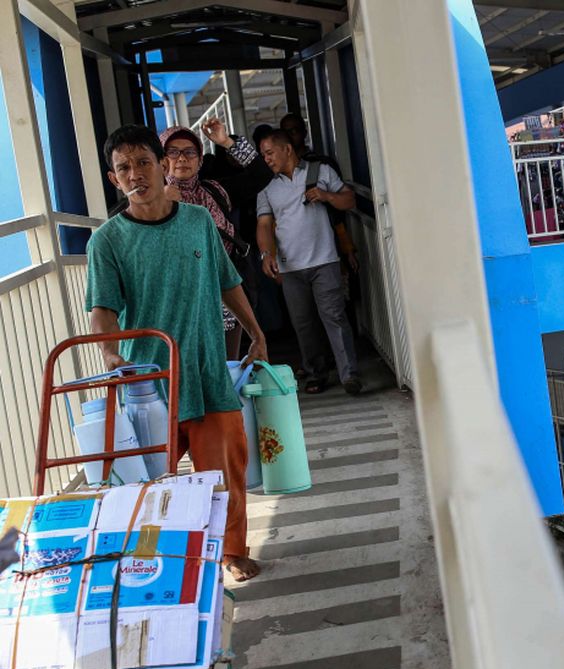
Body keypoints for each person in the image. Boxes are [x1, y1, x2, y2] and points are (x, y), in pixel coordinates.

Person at [86, 124, 266, 582]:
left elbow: (228, 281)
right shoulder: (106, 241)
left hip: (206, 371)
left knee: (226, 468)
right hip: (149, 382)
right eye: (124, 168)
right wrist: (110, 355)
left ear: (162, 166)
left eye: (144, 162)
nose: (135, 174)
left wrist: (255, 331)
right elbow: (103, 309)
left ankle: (232, 552)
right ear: (114, 179)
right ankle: (156, 560)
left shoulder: (197, 221)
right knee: (150, 481)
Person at [256, 130, 362, 395]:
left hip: (325, 260)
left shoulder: (320, 171)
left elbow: (348, 200)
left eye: (269, 153)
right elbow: (264, 225)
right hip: (290, 267)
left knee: (335, 317)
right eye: (263, 155)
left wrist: (327, 197)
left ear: (287, 149)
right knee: (303, 323)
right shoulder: (266, 188)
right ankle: (316, 373)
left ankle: (349, 375)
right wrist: (266, 254)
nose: (266, 159)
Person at [160, 120, 273, 360]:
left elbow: (261, 174)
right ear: (162, 161)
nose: (182, 158)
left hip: (225, 300)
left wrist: (226, 142)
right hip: (179, 303)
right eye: (173, 152)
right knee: (187, 368)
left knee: (225, 367)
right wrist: (164, 204)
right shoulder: (151, 203)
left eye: (190, 152)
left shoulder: (216, 191)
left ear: (200, 160)